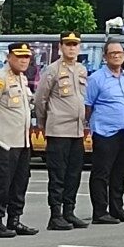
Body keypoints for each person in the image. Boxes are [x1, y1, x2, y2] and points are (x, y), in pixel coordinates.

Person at [0, 42, 39, 239]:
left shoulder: (22, 78)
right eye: (19, 56)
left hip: (22, 142)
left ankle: (14, 219)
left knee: (20, 182)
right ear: (9, 56)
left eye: (27, 57)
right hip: (3, 141)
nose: (23, 60)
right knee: (2, 183)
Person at [34, 31, 89, 231]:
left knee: (74, 174)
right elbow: (41, 99)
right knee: (58, 174)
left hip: (76, 130)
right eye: (68, 44)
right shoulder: (52, 70)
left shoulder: (82, 70)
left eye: (75, 44)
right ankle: (55, 214)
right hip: (58, 130)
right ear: (60, 47)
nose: (72, 48)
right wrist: (44, 122)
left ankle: (69, 211)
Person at [84, 39, 124, 224]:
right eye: (113, 53)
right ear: (105, 56)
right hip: (105, 132)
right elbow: (88, 106)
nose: (117, 56)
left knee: (120, 173)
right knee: (102, 173)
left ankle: (117, 209)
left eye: (120, 53)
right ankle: (100, 212)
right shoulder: (97, 79)